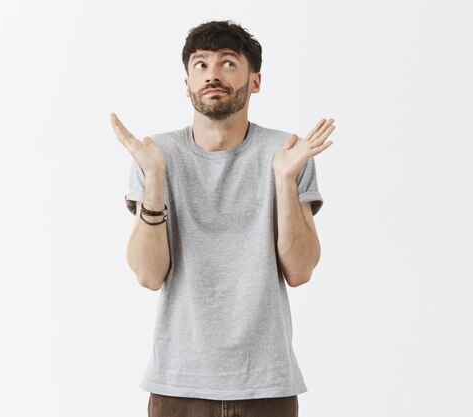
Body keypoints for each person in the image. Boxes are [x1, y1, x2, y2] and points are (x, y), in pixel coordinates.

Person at [110, 19, 335, 417]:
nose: (213, 74)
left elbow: (300, 272)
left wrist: (284, 180)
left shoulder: (287, 153)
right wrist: (156, 179)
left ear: (256, 81)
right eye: (201, 65)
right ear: (187, 84)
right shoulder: (156, 155)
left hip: (267, 385)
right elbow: (147, 275)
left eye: (228, 63)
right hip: (177, 385)